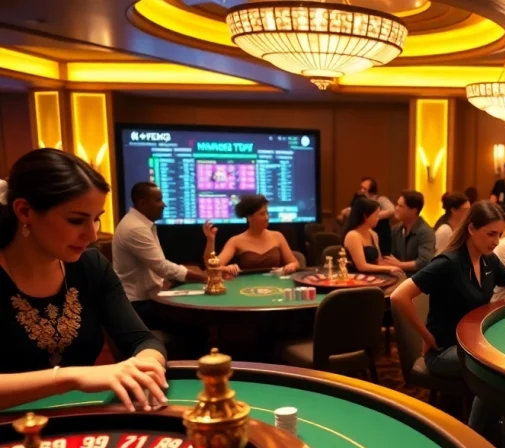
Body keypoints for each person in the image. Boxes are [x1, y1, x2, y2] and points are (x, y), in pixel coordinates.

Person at [0, 149, 168, 411]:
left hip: (78, 422)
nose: (91, 235)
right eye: (76, 220)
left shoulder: (91, 265)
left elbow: (143, 341)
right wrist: (70, 377)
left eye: (97, 219)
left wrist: (148, 361)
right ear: (24, 211)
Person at [391, 201, 505, 380]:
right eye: (491, 234)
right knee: (500, 365)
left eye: (499, 235)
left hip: (473, 344)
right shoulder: (447, 263)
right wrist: (426, 337)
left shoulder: (489, 260)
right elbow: (398, 296)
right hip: (445, 351)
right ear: (471, 229)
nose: (496, 242)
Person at [113, 182, 206, 324]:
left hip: (146, 298)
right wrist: (205, 278)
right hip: (138, 305)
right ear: (143, 203)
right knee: (195, 319)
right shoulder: (135, 228)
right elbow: (162, 267)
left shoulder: (140, 223)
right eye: (158, 200)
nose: (164, 205)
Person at [203, 195, 301, 276]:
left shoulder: (278, 236)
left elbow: (295, 263)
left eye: (267, 213)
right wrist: (211, 240)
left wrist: (292, 266)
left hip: (276, 286)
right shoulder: (236, 241)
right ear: (249, 218)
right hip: (245, 289)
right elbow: (212, 267)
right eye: (262, 214)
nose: (267, 218)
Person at [342, 196, 404, 276]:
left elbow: (379, 261)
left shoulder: (373, 234)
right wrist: (389, 268)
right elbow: (362, 266)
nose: (378, 218)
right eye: (376, 215)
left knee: (400, 277)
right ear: (365, 216)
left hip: (374, 275)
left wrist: (396, 266)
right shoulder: (353, 236)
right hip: (358, 277)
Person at [336, 177, 394, 255]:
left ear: (372, 190)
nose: (361, 191)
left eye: (365, 189)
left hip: (381, 234)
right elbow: (349, 211)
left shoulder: (381, 199)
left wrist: (374, 215)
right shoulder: (361, 201)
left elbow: (392, 210)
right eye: (361, 188)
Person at [384, 190, 435, 275]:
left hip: (418, 280)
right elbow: (391, 256)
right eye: (397, 205)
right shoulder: (396, 229)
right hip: (399, 276)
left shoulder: (425, 232)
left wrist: (400, 265)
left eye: (401, 206)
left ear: (414, 210)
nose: (396, 208)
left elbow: (424, 262)